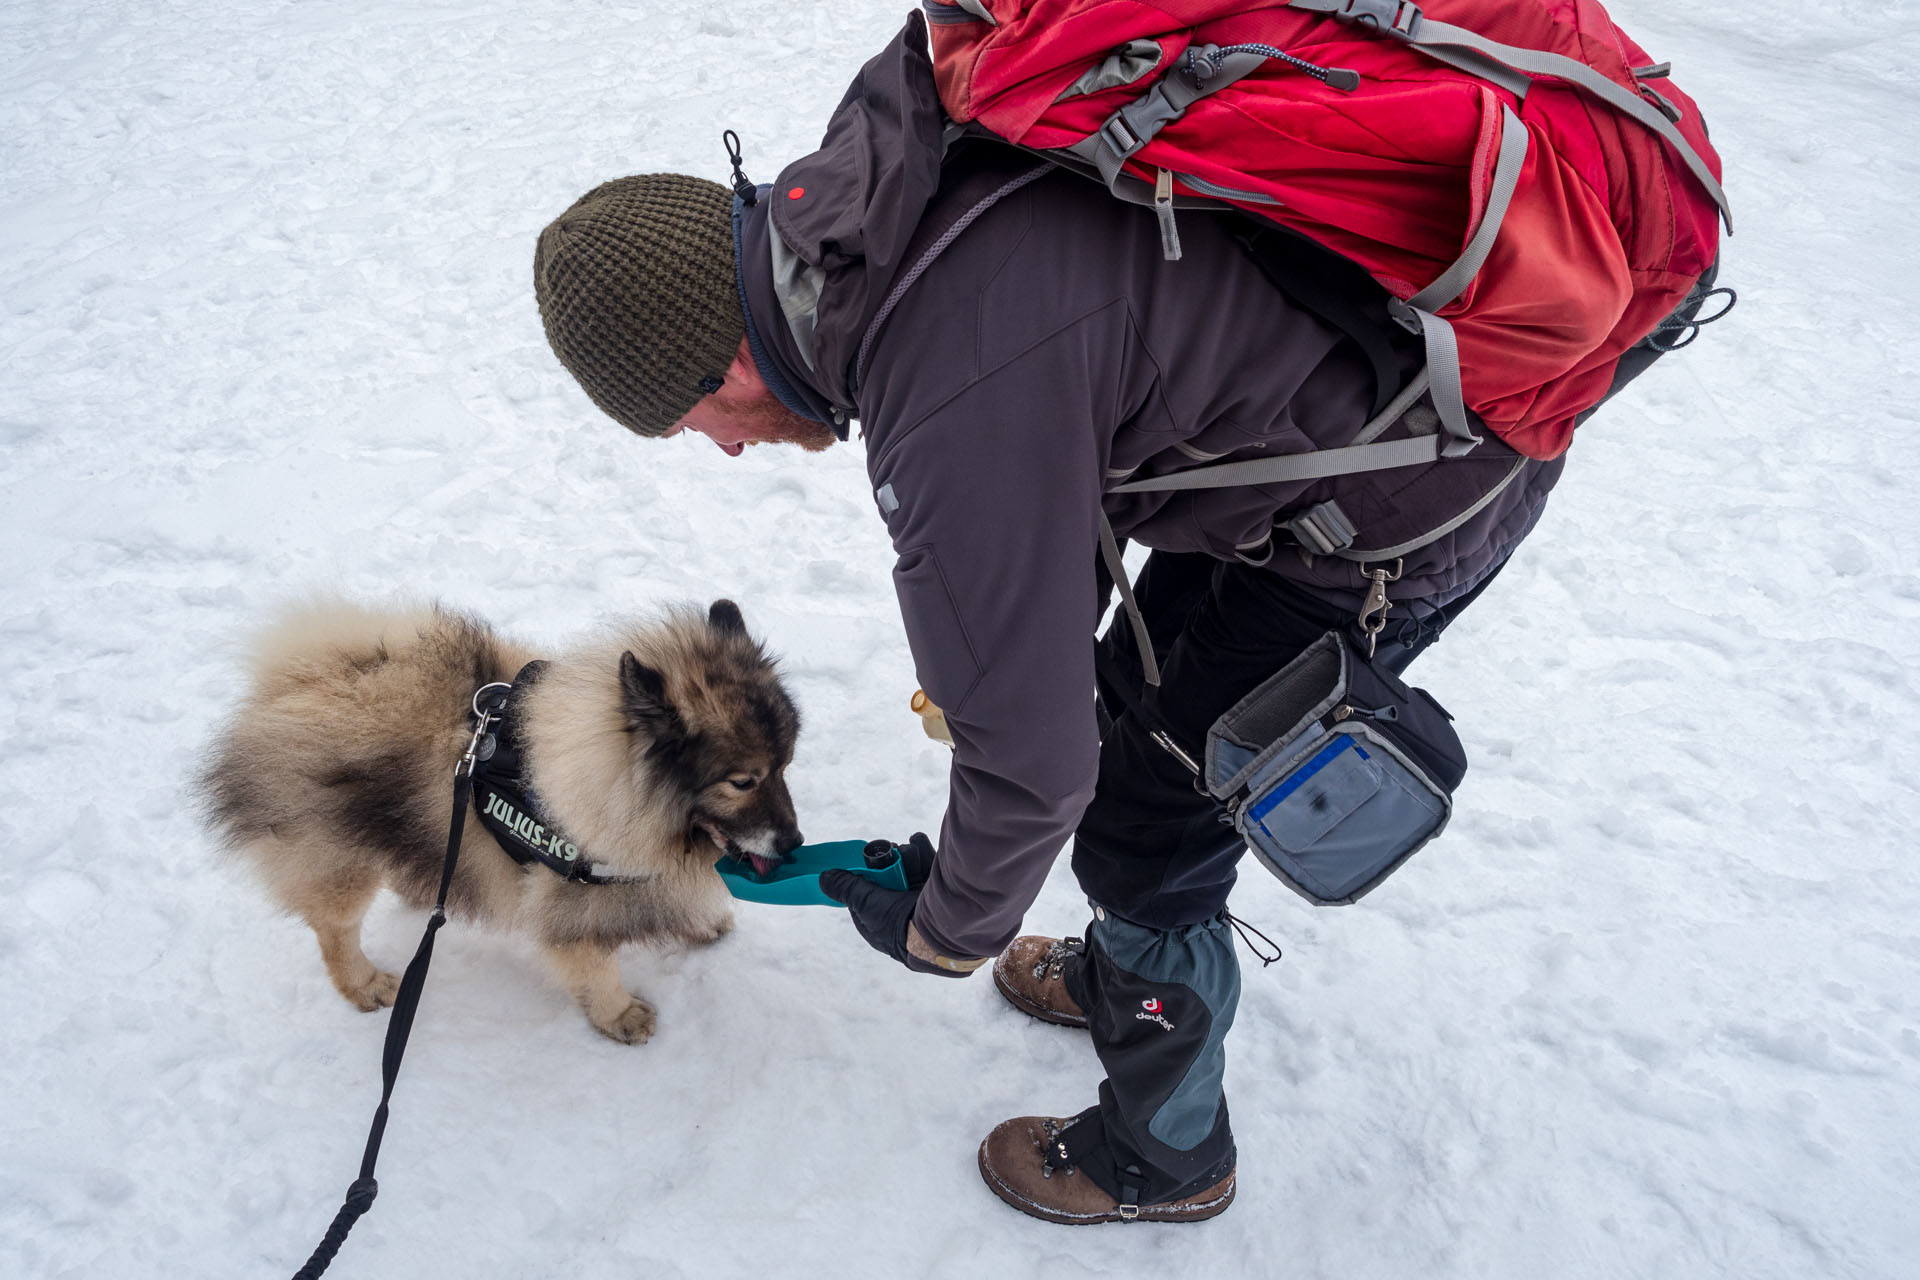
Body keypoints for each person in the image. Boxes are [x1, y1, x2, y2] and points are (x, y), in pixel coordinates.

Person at [531, 16, 1558, 1225]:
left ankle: (1165, 1154)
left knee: (1146, 825)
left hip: (1400, 501)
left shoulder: (940, 400)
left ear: (718, 367)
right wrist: (1011, 639)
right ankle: (1125, 971)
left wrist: (944, 927)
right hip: (1345, 424)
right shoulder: (891, 176)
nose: (722, 451)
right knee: (1134, 703)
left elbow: (1031, 767)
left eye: (685, 426)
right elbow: (1082, 386)